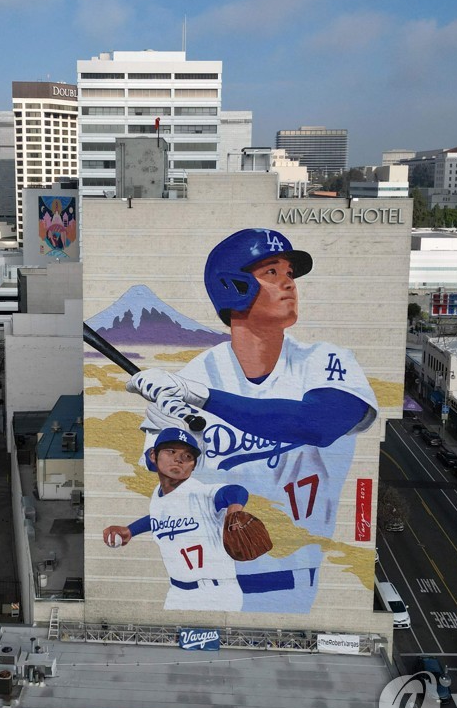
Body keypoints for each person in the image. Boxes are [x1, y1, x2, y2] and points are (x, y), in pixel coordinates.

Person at [126, 228, 378, 613]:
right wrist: (169, 434)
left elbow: (320, 423)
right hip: (200, 585)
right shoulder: (191, 376)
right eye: (272, 273)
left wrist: (203, 399)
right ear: (233, 285)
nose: (289, 284)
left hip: (289, 585)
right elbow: (162, 477)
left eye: (290, 274)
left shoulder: (326, 361)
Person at [102, 427, 250, 610]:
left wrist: (234, 511)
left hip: (216, 594)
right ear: (153, 456)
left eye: (188, 456)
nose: (179, 459)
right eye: (171, 451)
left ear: (193, 466)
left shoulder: (198, 492)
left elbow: (235, 491)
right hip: (177, 593)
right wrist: (130, 530)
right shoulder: (159, 495)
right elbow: (158, 517)